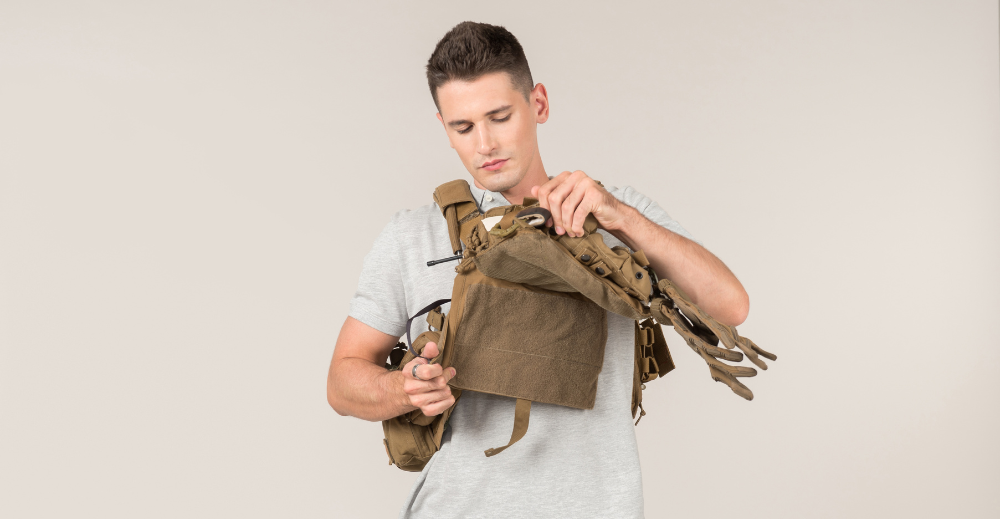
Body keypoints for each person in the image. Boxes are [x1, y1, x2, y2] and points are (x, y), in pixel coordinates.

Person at [326, 21, 749, 518]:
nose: (484, 143)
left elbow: (730, 306)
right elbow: (342, 382)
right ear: (444, 128)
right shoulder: (410, 237)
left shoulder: (611, 214)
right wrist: (403, 387)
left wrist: (619, 216)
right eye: (463, 128)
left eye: (500, 116)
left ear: (539, 104)